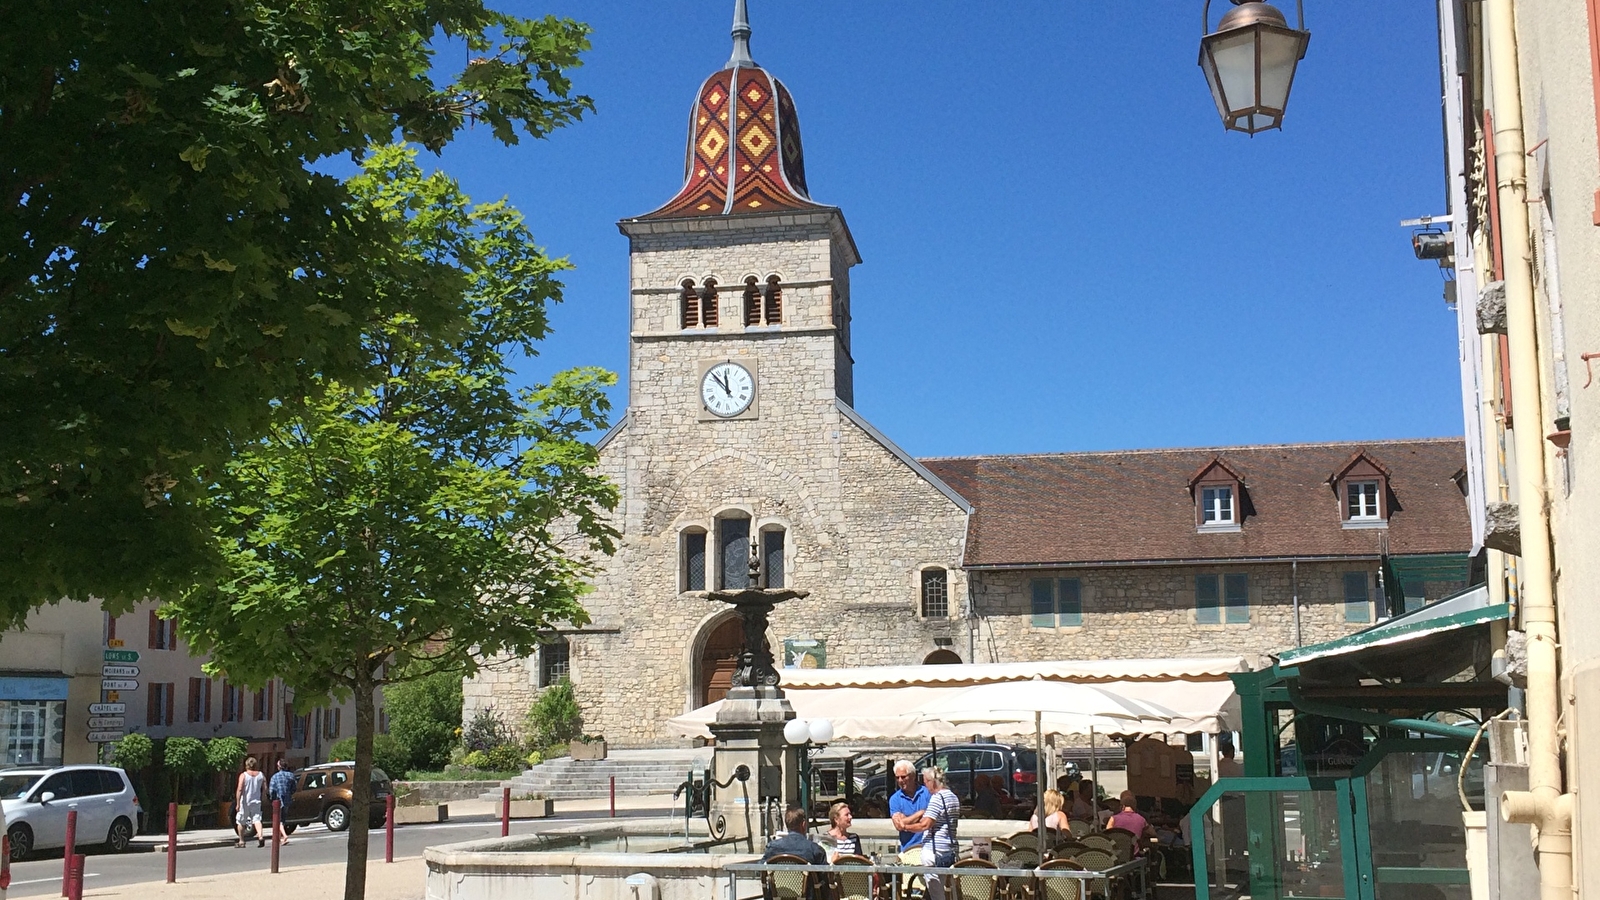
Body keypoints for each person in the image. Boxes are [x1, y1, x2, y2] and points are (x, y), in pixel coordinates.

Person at [888, 759, 931, 860]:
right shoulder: (895, 799)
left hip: (928, 848)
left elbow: (929, 821)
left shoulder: (927, 793)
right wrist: (921, 813)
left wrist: (905, 821)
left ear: (913, 776)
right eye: (897, 777)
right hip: (907, 851)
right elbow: (898, 825)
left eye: (903, 777)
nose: (900, 780)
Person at [921, 767, 960, 868]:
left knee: (934, 883)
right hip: (950, 849)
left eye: (925, 782)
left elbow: (926, 824)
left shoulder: (937, 798)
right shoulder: (953, 797)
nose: (925, 786)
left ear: (932, 782)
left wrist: (906, 827)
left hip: (934, 850)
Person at [763, 806, 827, 864]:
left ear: (786, 825)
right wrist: (832, 862)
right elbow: (824, 874)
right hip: (807, 877)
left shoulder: (772, 847)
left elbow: (759, 869)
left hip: (778, 877)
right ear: (803, 824)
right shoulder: (814, 849)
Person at [235, 757, 267, 848]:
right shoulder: (261, 775)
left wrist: (237, 803)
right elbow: (265, 787)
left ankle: (241, 841)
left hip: (245, 802)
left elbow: (240, 789)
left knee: (241, 821)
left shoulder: (244, 775)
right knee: (257, 819)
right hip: (256, 801)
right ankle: (260, 837)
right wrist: (263, 797)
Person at [268, 759, 297, 846]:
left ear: (279, 767)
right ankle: (280, 837)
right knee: (283, 819)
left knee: (278, 820)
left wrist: (272, 799)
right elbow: (294, 788)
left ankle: (284, 836)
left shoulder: (275, 777)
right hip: (287, 800)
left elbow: (272, 790)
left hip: (277, 800)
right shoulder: (291, 776)